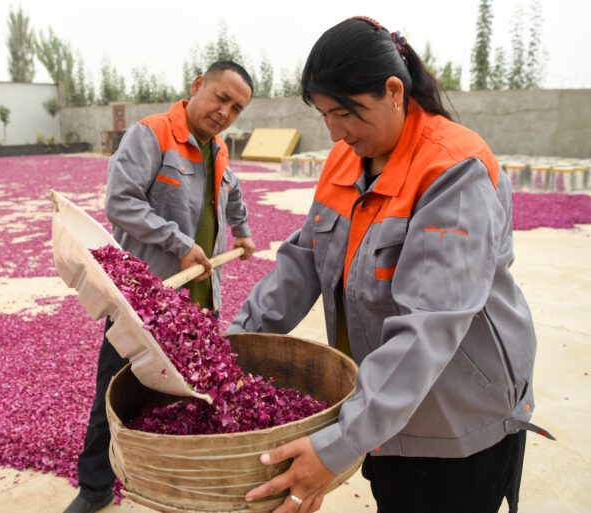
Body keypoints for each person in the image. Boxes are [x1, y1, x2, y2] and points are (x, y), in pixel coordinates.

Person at [227, 17, 553, 513]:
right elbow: (301, 265)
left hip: (455, 424)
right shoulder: (346, 160)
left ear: (394, 91)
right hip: (383, 410)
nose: (336, 131)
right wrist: (231, 347)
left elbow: (430, 323)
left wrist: (337, 445)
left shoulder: (452, 170)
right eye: (324, 115)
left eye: (344, 113)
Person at [62, 60, 256, 513]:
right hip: (144, 303)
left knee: (190, 396)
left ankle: (172, 477)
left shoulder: (219, 152)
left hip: (202, 301)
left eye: (237, 108)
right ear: (196, 87)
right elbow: (120, 201)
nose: (225, 111)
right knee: (115, 392)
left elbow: (233, 196)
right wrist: (180, 242)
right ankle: (95, 488)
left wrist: (243, 231)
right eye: (221, 98)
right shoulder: (152, 135)